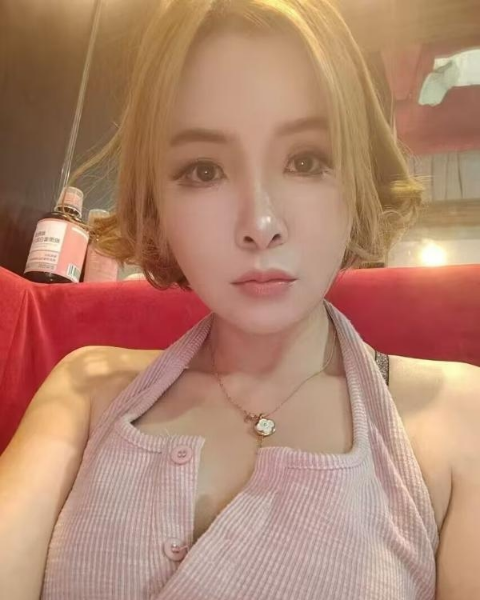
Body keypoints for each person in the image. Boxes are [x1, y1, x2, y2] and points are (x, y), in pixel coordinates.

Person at [1, 0, 479, 598]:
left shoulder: (459, 417)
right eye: (203, 170)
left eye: (306, 161)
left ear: (360, 179)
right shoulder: (86, 391)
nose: (260, 224)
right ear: (157, 202)